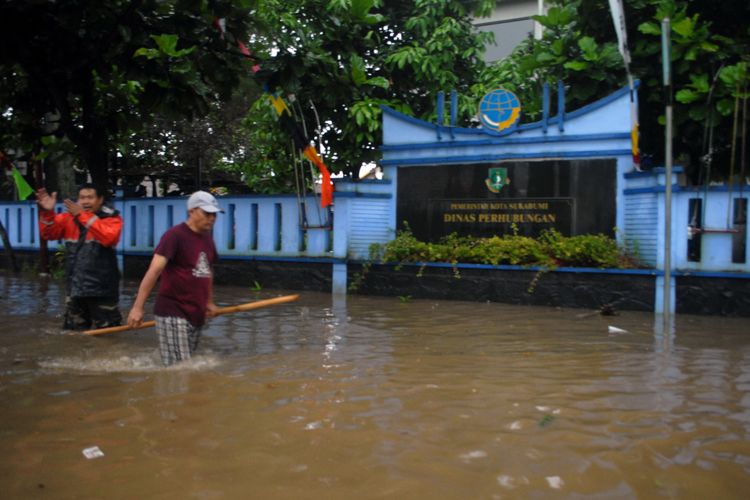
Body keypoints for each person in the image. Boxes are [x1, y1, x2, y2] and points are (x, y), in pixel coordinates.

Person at [127, 191, 222, 365]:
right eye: (206, 213)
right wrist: (137, 308)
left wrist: (209, 302)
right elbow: (153, 272)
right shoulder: (174, 236)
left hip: (195, 311)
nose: (211, 218)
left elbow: (207, 271)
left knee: (185, 364)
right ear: (192, 211)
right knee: (181, 367)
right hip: (173, 309)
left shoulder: (208, 240)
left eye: (214, 214)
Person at [36, 183, 123, 330]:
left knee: (108, 333)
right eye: (82, 198)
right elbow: (48, 234)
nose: (86, 202)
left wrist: (83, 216)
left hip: (103, 288)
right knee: (74, 333)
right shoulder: (68, 218)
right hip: (75, 287)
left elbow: (109, 237)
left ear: (100, 199)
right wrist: (47, 212)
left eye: (90, 197)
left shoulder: (111, 217)